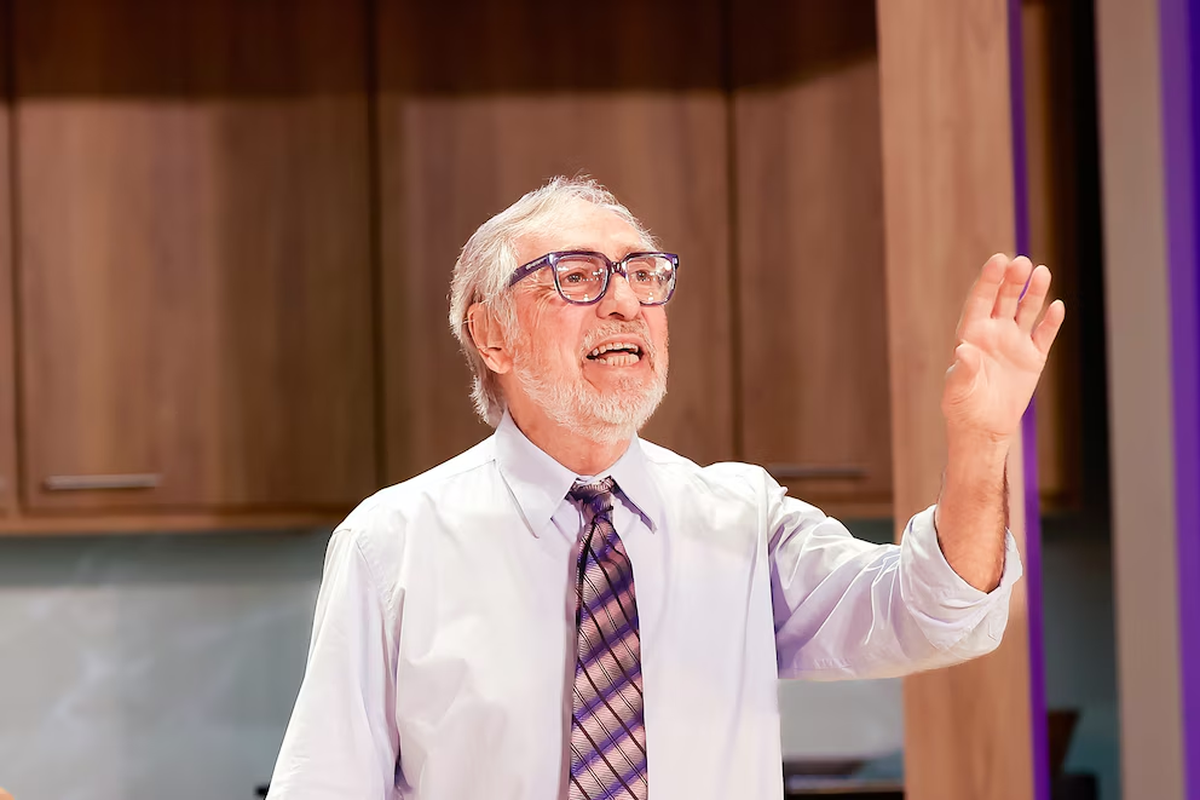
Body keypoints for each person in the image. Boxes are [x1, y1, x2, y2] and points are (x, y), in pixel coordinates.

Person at [266, 177, 1065, 800]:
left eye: (644, 275)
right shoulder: (392, 545)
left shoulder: (743, 520)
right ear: (492, 334)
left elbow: (937, 616)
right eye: (577, 277)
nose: (625, 301)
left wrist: (981, 444)